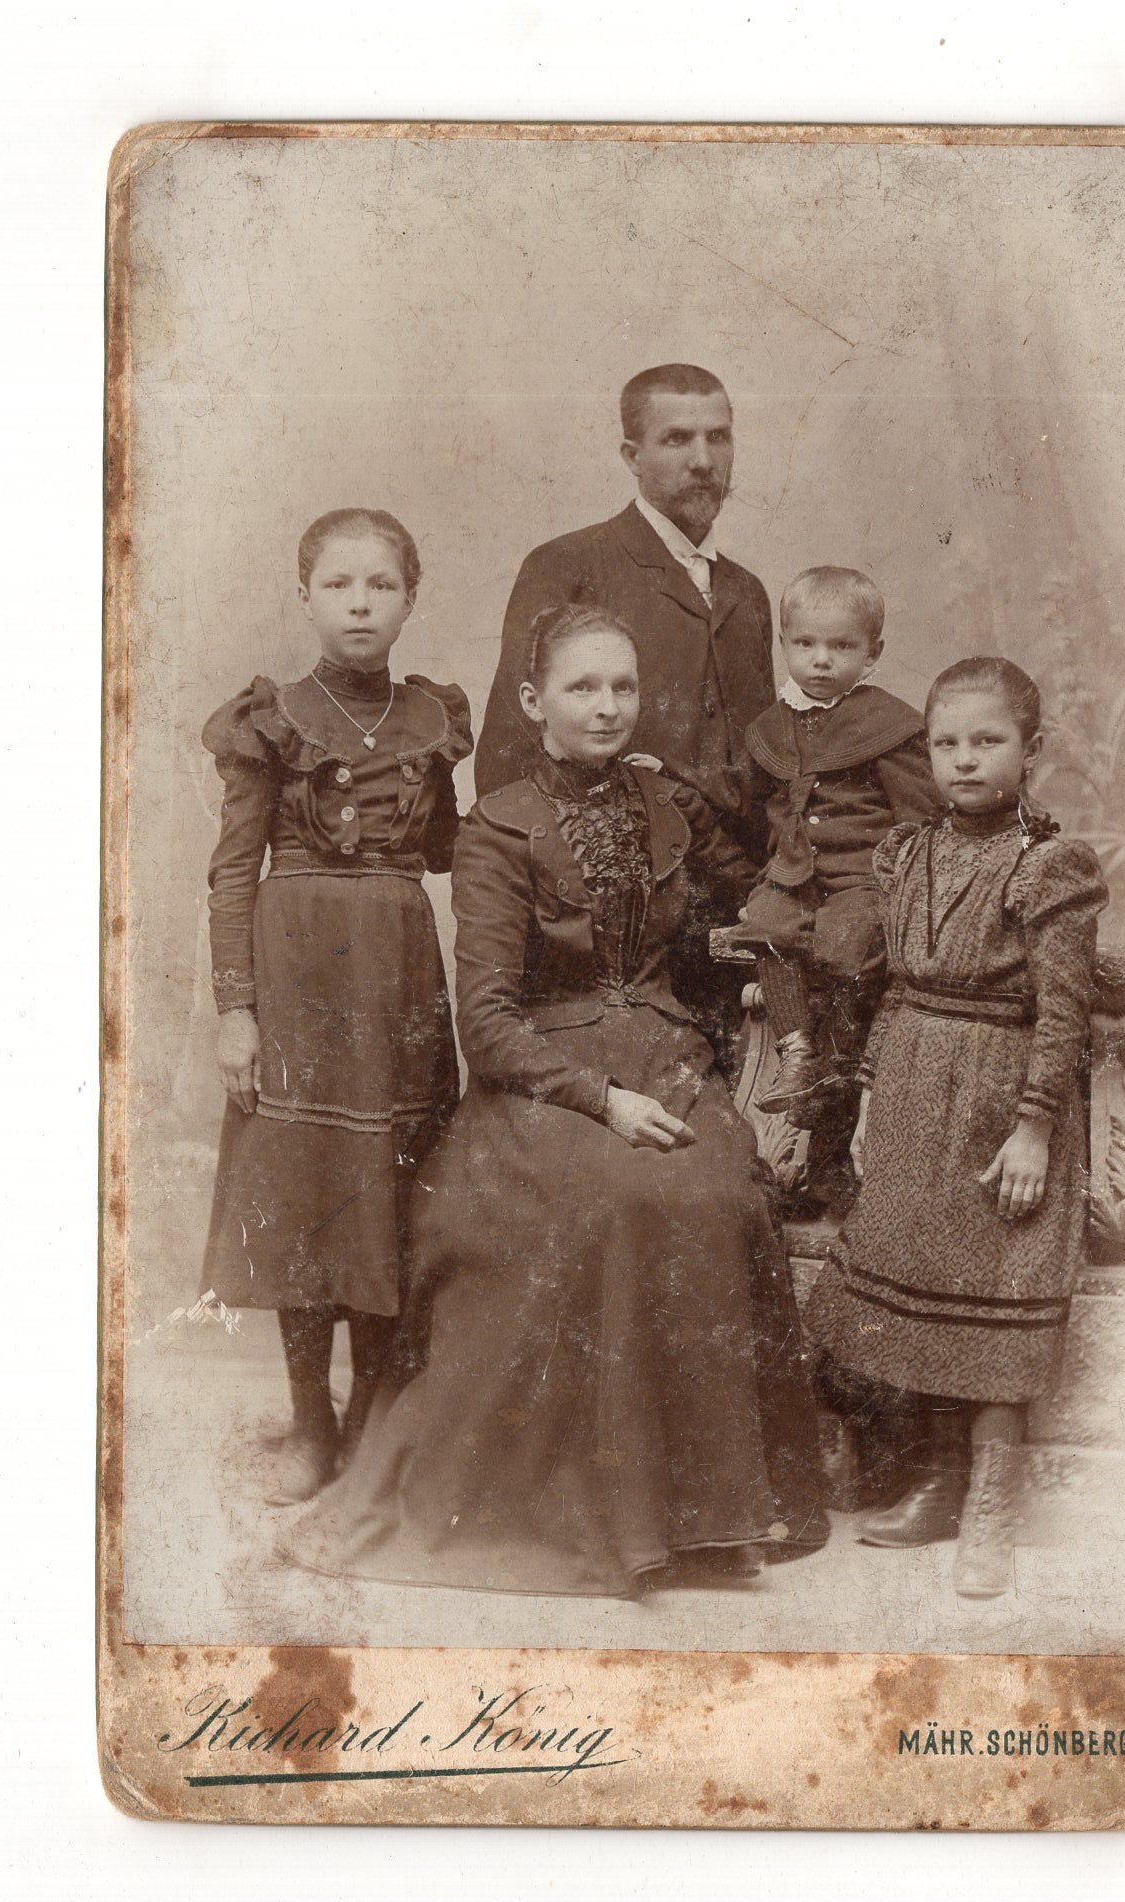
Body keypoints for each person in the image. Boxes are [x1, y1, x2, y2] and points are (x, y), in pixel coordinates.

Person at [279, 604, 829, 1598]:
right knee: (610, 1199)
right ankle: (594, 1518)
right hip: (538, 1081)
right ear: (534, 704)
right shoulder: (499, 827)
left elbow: (747, 921)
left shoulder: (669, 811)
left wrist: (750, 1026)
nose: (606, 707)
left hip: (664, 1059)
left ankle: (708, 1520)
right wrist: (600, 1099)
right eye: (581, 687)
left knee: (717, 1193)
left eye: (621, 686)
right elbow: (485, 1020)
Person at [804, 657, 1108, 1599]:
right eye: (947, 743)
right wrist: (868, 1099)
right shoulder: (912, 851)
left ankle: (990, 1515)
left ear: (1031, 749)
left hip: (998, 1101)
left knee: (996, 1306)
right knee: (917, 1296)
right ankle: (935, 1484)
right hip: (914, 1087)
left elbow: (1063, 1015)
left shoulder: (1051, 865)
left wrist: (1033, 1129)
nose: (965, 761)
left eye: (988, 741)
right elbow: (897, 989)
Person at [200, 507, 473, 1506]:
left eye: (382, 586)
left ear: (411, 597)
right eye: (339, 585)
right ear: (305, 594)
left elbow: (445, 849)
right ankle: (310, 1425)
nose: (360, 604)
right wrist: (238, 1010)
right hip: (296, 977)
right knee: (306, 1199)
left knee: (387, 1194)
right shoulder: (268, 714)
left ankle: (371, 1423)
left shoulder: (431, 718)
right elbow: (232, 872)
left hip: (396, 978)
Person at [474, 364, 774, 852]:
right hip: (611, 883)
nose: (703, 460)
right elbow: (507, 757)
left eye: (718, 437)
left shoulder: (747, 592)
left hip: (738, 885)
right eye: (677, 439)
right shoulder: (567, 565)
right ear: (632, 457)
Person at [729, 566, 940, 1123]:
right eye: (806, 644)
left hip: (861, 875)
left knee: (849, 938)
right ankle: (796, 1049)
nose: (821, 660)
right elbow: (746, 804)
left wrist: (906, 882)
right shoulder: (773, 725)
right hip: (794, 872)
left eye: (841, 646)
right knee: (766, 917)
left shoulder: (887, 724)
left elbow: (920, 813)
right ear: (785, 646)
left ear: (871, 655)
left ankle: (841, 1053)